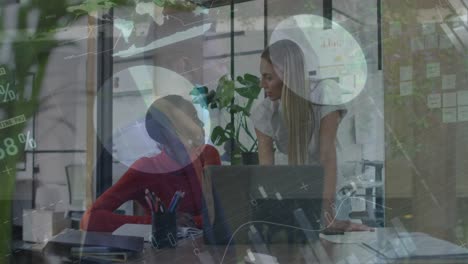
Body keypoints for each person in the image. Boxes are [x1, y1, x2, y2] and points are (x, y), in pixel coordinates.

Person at [251, 39, 372, 232]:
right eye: (262, 76)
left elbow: (327, 158)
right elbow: (267, 171)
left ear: (288, 77)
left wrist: (328, 217)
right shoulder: (264, 113)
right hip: (293, 197)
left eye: (268, 77)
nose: (261, 84)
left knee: (331, 254)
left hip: (329, 196)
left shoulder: (325, 96)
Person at [81, 95, 221, 232]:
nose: (201, 125)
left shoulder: (207, 155)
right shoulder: (146, 168)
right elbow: (89, 219)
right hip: (166, 252)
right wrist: (156, 221)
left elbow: (220, 216)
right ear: (167, 131)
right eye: (193, 119)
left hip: (212, 252)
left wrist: (186, 222)